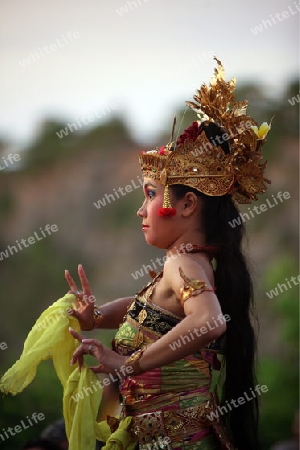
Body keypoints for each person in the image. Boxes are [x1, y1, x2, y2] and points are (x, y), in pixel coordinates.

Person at [65, 58, 272, 449]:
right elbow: (151, 313)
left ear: (188, 205)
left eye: (149, 195)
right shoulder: (189, 264)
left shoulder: (183, 263)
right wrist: (97, 317)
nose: (141, 211)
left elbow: (209, 324)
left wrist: (127, 365)